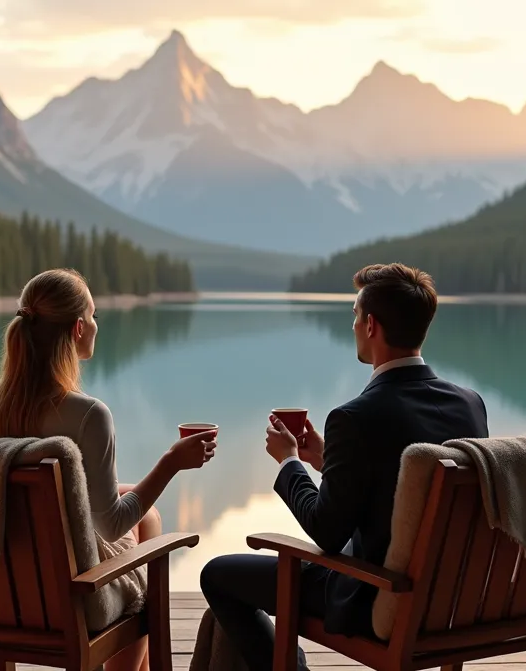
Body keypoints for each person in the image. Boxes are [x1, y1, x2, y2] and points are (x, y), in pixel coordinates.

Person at [199, 263, 489, 670]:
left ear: (371, 325)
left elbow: (327, 532)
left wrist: (289, 462)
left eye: (355, 315)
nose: (352, 325)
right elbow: (404, 491)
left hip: (378, 594)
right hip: (454, 597)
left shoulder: (355, 417)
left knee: (217, 576)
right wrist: (327, 461)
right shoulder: (470, 404)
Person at [0, 268, 217, 671]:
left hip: (7, 586)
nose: (97, 324)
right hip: (70, 592)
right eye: (94, 315)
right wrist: (172, 462)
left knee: (143, 512)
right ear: (79, 328)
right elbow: (111, 526)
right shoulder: (87, 415)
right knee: (146, 533)